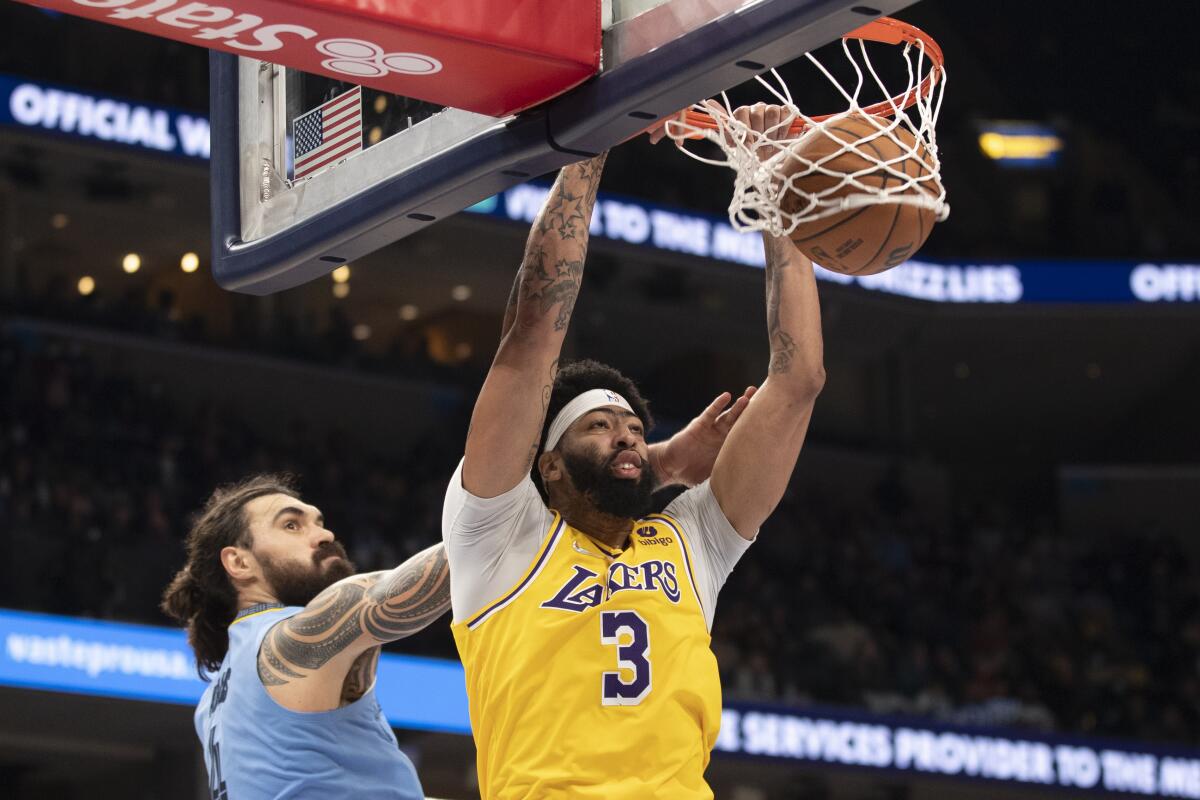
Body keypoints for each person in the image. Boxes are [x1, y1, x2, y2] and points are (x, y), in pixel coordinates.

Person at [443, 104, 826, 798]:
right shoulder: (500, 535)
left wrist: (774, 190)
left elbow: (797, 380)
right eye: (597, 426)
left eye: (632, 427)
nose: (624, 433)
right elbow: (531, 336)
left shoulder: (689, 542)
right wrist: (590, 140)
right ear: (548, 463)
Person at [161, 474, 449, 800]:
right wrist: (501, 517)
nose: (325, 535)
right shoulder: (286, 641)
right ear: (239, 562)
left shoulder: (213, 701)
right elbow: (388, 595)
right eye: (292, 526)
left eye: (319, 522)